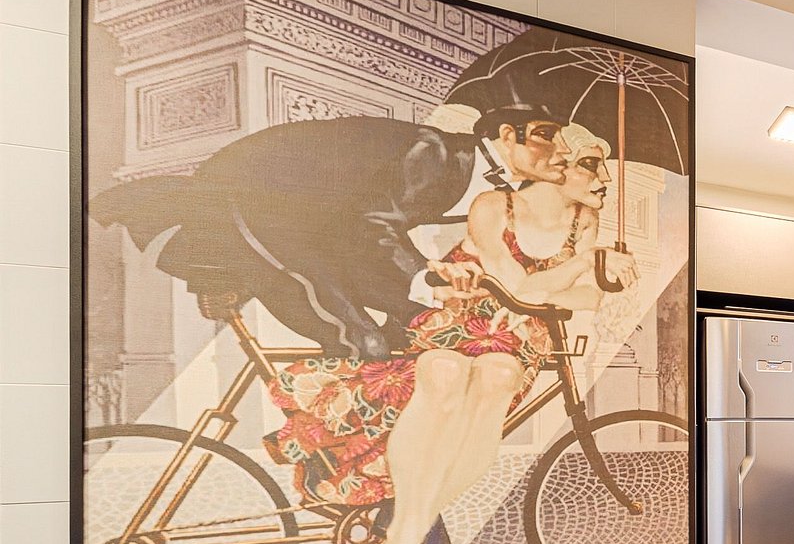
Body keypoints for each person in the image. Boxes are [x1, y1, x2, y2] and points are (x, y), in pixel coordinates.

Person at [266, 125, 636, 544]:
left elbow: (588, 299)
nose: (603, 177)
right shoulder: (495, 206)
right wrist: (578, 269)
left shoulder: (584, 220)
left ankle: (400, 541)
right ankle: (406, 539)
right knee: (443, 373)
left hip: (521, 338)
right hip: (458, 322)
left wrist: (561, 284)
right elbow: (517, 284)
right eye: (588, 163)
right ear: (558, 167)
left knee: (498, 377)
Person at [91, 103, 574, 359]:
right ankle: (329, 472)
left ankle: (384, 476)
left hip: (314, 228)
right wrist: (425, 275)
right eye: (546, 135)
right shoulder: (436, 153)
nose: (562, 151)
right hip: (257, 207)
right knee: (360, 342)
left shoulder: (485, 182)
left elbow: (362, 229)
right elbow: (375, 224)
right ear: (505, 137)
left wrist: (420, 293)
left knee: (414, 329)